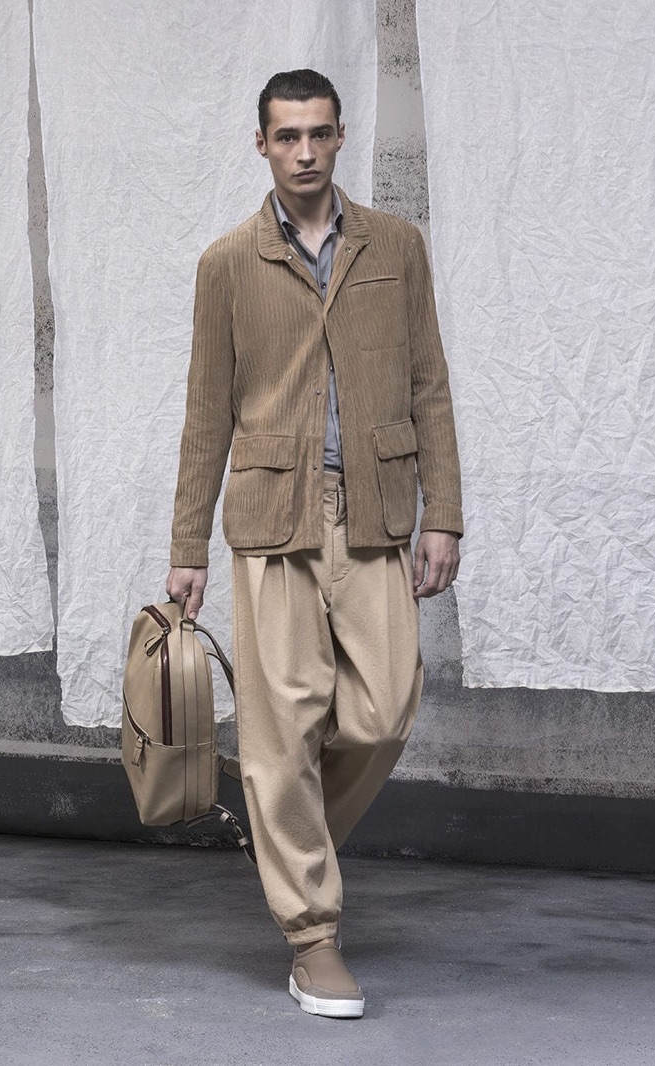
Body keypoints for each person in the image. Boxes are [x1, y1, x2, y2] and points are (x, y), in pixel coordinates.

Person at [166, 69, 462, 1019]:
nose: (304, 152)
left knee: (383, 712)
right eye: (286, 136)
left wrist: (445, 513)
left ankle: (284, 833)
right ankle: (312, 934)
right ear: (262, 144)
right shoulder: (227, 263)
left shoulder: (397, 247)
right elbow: (206, 412)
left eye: (319, 134)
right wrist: (187, 545)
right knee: (280, 729)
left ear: (340, 138)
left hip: (375, 507)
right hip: (272, 518)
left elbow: (429, 382)